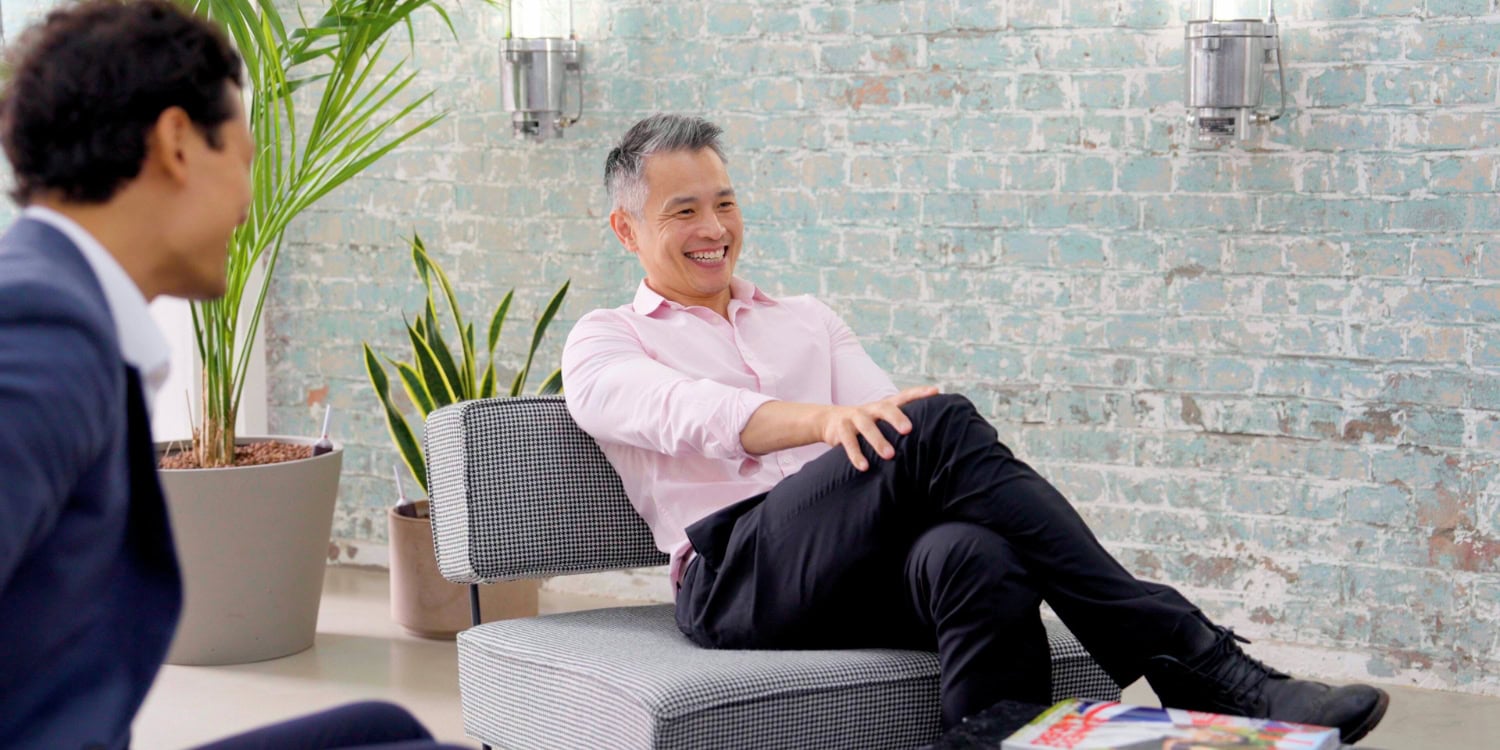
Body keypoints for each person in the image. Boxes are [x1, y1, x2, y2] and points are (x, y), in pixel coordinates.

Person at [561, 114, 1391, 745]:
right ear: (628, 230)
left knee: (973, 553)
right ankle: (1199, 659)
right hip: (735, 579)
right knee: (937, 422)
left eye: (726, 202)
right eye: (684, 212)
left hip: (847, 568)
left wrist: (907, 429)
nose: (714, 229)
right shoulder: (606, 339)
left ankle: (992, 736)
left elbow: (888, 433)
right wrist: (834, 420)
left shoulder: (806, 320)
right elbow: (688, 413)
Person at [0, 3, 463, 748]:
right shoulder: (40, 328)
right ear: (178, 143)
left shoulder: (54, 300)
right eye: (244, 162)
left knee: (385, 723)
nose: (250, 204)